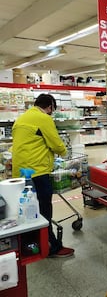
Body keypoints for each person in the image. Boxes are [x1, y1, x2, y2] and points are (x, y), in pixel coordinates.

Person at [12, 94, 74, 258]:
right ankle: (52, 247)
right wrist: (64, 152)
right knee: (44, 210)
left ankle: (31, 245)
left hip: (20, 172)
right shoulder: (43, 118)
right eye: (52, 109)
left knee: (27, 211)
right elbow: (55, 143)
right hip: (37, 171)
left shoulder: (22, 118)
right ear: (50, 107)